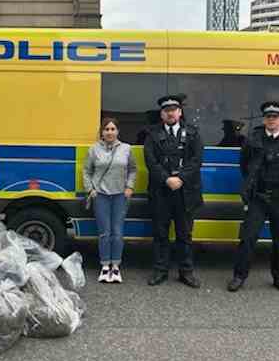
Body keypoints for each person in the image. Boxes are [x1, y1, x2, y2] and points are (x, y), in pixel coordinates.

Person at [228, 101, 279, 293]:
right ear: (264, 120)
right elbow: (244, 166)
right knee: (247, 238)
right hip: (258, 197)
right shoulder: (253, 141)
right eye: (268, 117)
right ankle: (239, 276)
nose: (271, 120)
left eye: (275, 117)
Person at [144, 94, 204, 288]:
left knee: (184, 235)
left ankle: (186, 272)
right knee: (160, 234)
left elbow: (197, 160)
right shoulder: (152, 134)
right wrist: (167, 178)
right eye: (166, 111)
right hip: (161, 192)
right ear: (162, 114)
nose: (170, 113)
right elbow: (150, 161)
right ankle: (160, 271)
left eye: (173, 110)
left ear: (180, 112)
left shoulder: (193, 133)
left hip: (185, 192)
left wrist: (180, 178)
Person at [83, 117, 137, 283]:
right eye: (107, 129)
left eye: (113, 129)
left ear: (117, 131)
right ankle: (105, 266)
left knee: (117, 233)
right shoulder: (94, 149)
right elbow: (86, 170)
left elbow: (133, 169)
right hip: (101, 196)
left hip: (120, 195)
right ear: (102, 132)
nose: (110, 132)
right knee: (104, 233)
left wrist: (129, 187)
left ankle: (116, 266)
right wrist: (90, 189)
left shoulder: (126, 149)